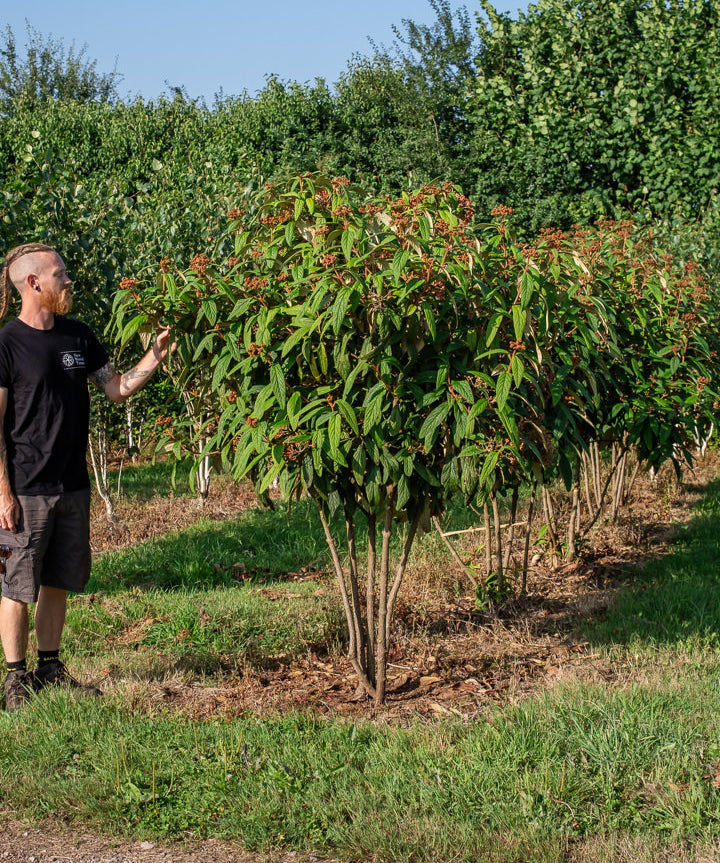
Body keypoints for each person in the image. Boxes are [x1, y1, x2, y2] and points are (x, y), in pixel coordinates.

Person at [0, 242, 174, 711]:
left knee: (57, 579)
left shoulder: (78, 336)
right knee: (17, 585)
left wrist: (152, 360)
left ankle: (50, 668)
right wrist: (3, 494)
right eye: (60, 273)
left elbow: (115, 389)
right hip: (25, 487)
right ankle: (15, 681)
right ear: (33, 283)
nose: (68, 279)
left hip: (72, 484)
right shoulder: (6, 344)